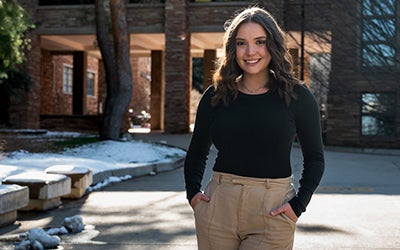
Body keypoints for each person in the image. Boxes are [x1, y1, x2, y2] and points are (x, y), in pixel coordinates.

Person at [184, 6, 325, 250]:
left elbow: (315, 158)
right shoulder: (215, 96)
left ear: (273, 44)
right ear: (232, 48)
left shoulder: (298, 97)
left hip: (272, 210)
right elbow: (197, 152)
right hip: (219, 206)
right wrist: (194, 196)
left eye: (260, 41)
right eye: (241, 43)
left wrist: (298, 205)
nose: (250, 52)